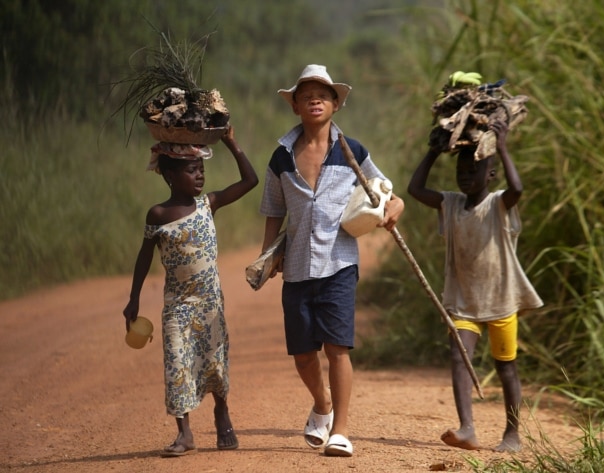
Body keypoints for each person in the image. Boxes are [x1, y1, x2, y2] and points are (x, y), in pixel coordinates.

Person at [259, 64, 405, 457]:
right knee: (304, 354)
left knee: (337, 347)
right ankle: (321, 404)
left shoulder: (351, 151)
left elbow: (383, 189)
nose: (314, 100)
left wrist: (397, 204)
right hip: (297, 267)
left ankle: (340, 429)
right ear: (295, 106)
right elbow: (273, 209)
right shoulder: (281, 156)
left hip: (340, 262)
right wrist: (267, 255)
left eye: (322, 94)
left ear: (336, 104)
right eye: (305, 95)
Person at [407, 120, 543, 453]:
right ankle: (467, 427)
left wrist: (503, 148)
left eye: (474, 169)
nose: (466, 175)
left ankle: (512, 434)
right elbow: (414, 189)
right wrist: (433, 151)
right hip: (463, 300)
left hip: (501, 300)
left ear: (491, 174)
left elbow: (518, 190)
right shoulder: (450, 203)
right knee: (459, 357)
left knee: (505, 367)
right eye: (461, 170)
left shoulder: (498, 204)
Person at [123, 126, 259, 457]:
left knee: (215, 361)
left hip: (210, 303)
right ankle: (184, 433)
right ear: (168, 174)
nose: (199, 176)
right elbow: (144, 257)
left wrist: (231, 142)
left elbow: (250, 181)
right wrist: (134, 298)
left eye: (201, 169)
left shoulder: (208, 204)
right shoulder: (157, 215)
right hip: (177, 306)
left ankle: (222, 411)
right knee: (176, 364)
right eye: (190, 169)